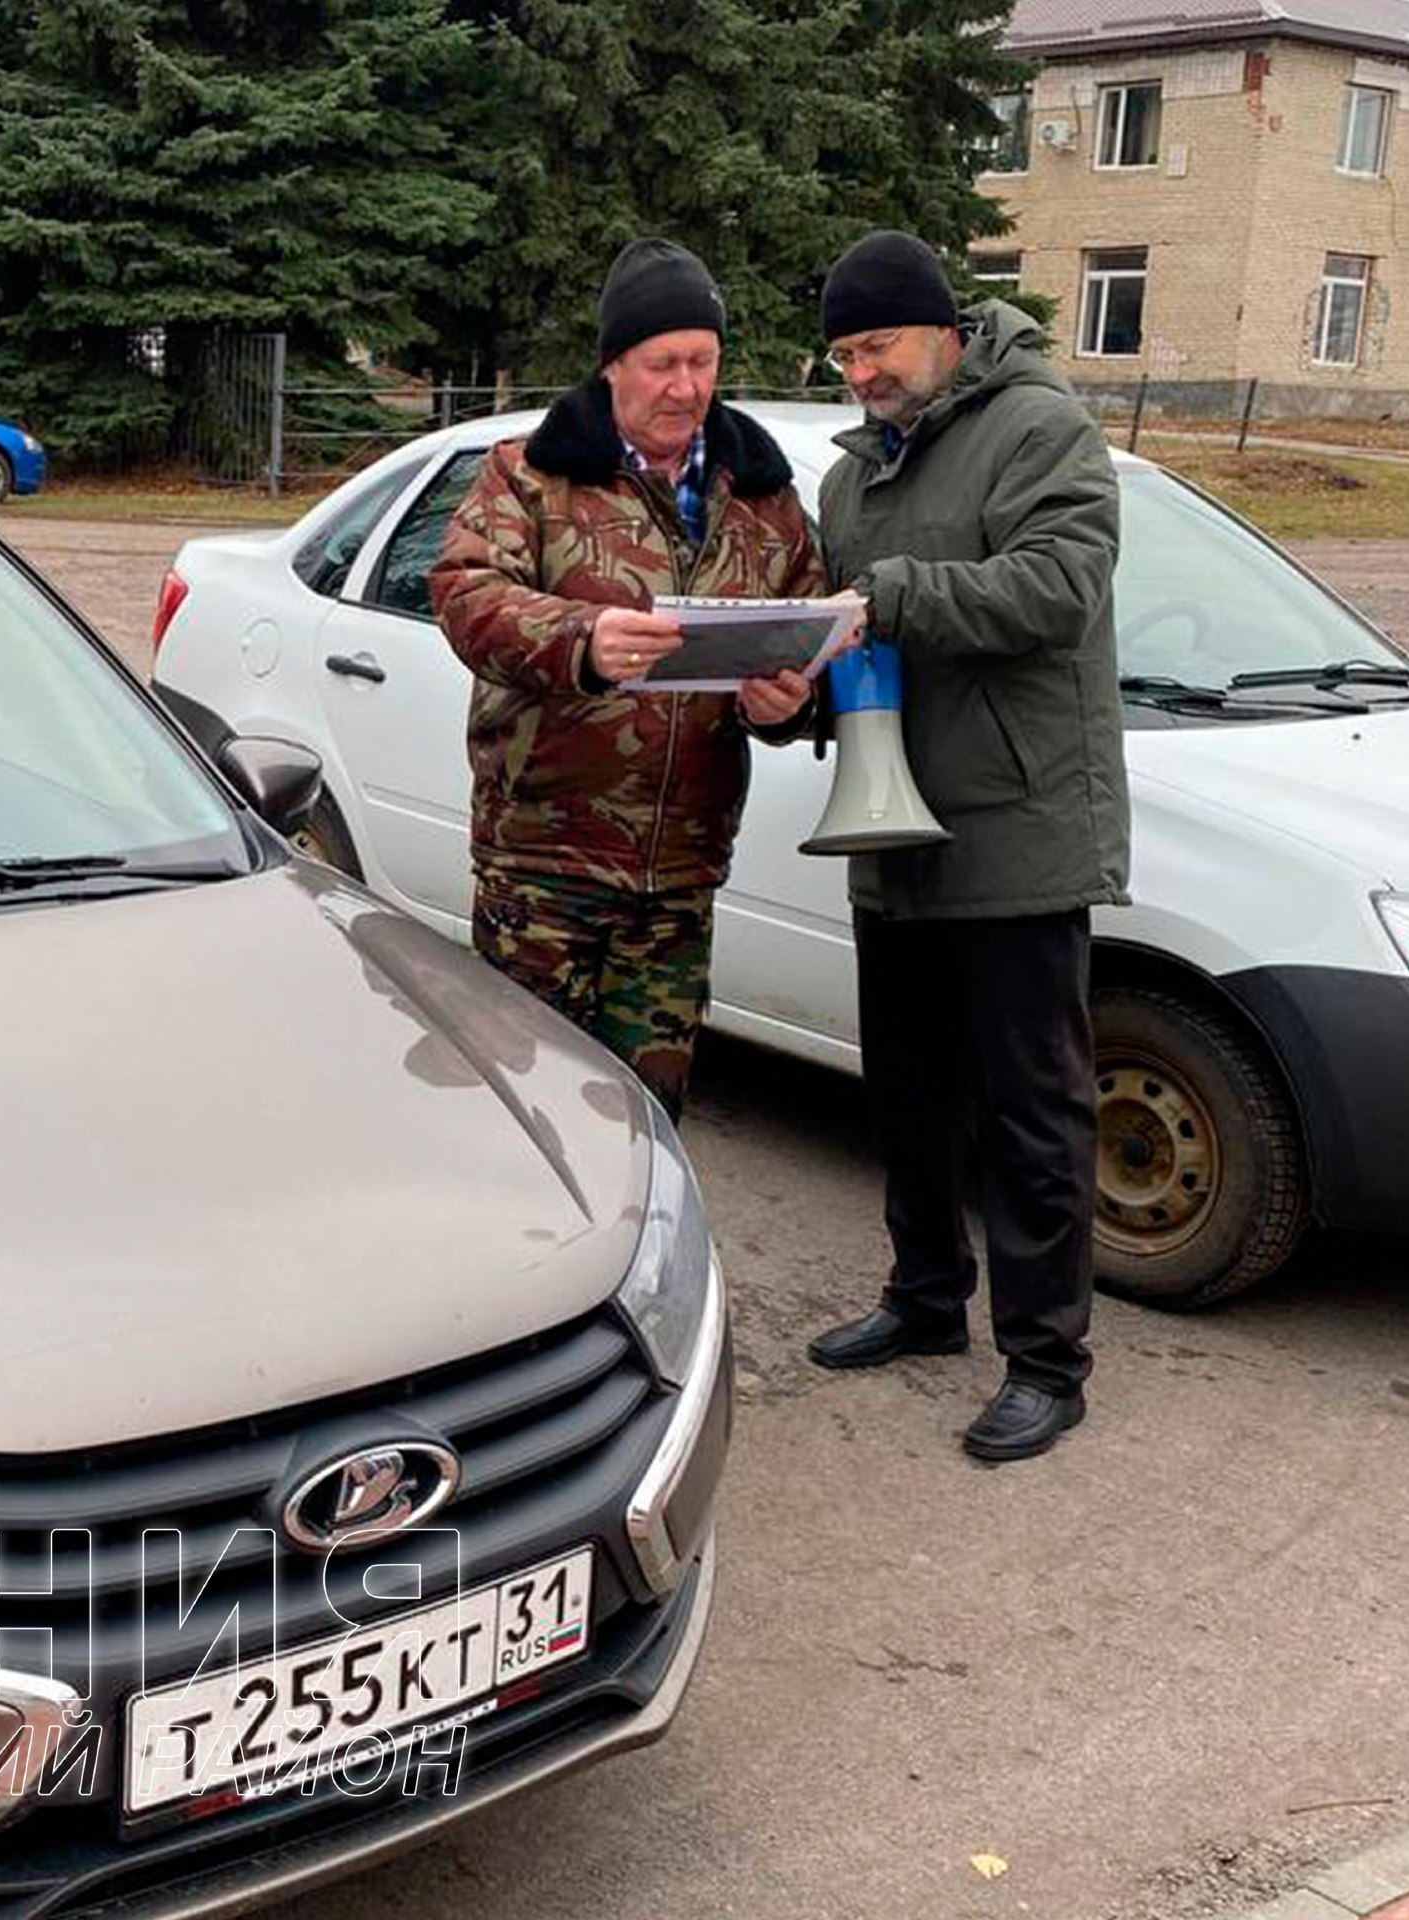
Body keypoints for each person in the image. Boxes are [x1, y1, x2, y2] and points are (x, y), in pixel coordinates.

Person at [800, 229, 1128, 1464]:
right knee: (912, 1093)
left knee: (1034, 1110)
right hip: (893, 830)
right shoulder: (850, 477)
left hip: (1019, 828)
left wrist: (890, 595)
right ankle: (925, 1301)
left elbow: (1059, 589)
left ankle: (1047, 1360)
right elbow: (854, 647)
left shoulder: (1040, 427)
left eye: (875, 346)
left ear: (941, 328)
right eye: (841, 356)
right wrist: (791, 693)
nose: (861, 375)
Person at [427, 237, 843, 1118]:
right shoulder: (529, 474)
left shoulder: (764, 498)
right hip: (542, 865)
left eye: (703, 361)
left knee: (643, 1124)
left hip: (681, 878)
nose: (685, 387)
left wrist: (789, 706)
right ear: (614, 364)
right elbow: (465, 594)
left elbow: (806, 633)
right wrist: (582, 638)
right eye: (662, 363)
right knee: (524, 1117)